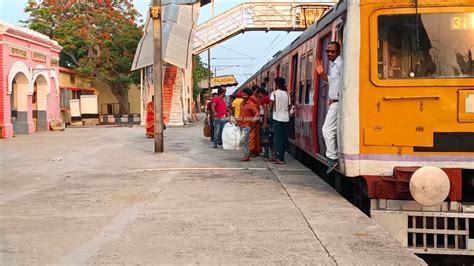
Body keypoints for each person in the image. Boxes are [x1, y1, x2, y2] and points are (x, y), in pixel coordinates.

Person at [316, 41, 343, 173]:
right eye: (327, 51)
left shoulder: (340, 64)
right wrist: (322, 74)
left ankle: (332, 158)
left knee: (326, 130)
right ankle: (334, 156)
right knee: (332, 130)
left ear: (338, 51)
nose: (329, 54)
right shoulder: (335, 65)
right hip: (336, 102)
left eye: (332, 51)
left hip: (339, 102)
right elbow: (333, 81)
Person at [270, 77, 290, 164]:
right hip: (286, 118)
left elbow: (271, 106)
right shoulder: (286, 93)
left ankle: (280, 158)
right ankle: (281, 156)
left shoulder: (274, 93)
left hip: (277, 118)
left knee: (278, 138)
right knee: (284, 138)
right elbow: (289, 106)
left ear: (277, 84)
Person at [238, 88, 259, 161]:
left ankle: (247, 154)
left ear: (248, 95)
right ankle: (246, 155)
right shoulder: (241, 103)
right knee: (245, 141)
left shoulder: (251, 104)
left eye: (245, 94)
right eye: (242, 93)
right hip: (241, 124)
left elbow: (256, 113)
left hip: (247, 125)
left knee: (242, 140)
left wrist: (254, 119)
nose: (243, 95)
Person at [257, 87, 273, 159]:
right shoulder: (267, 98)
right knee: (267, 136)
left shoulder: (263, 99)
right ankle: (268, 153)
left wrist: (265, 122)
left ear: (260, 93)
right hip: (267, 119)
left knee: (265, 136)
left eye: (258, 93)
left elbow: (266, 110)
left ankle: (267, 153)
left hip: (264, 118)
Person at [249, 84, 261, 156]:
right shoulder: (252, 98)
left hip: (256, 119)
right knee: (252, 135)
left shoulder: (255, 98)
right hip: (253, 119)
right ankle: (252, 150)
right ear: (253, 91)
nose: (258, 93)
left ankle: (255, 150)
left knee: (255, 135)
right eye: (257, 91)